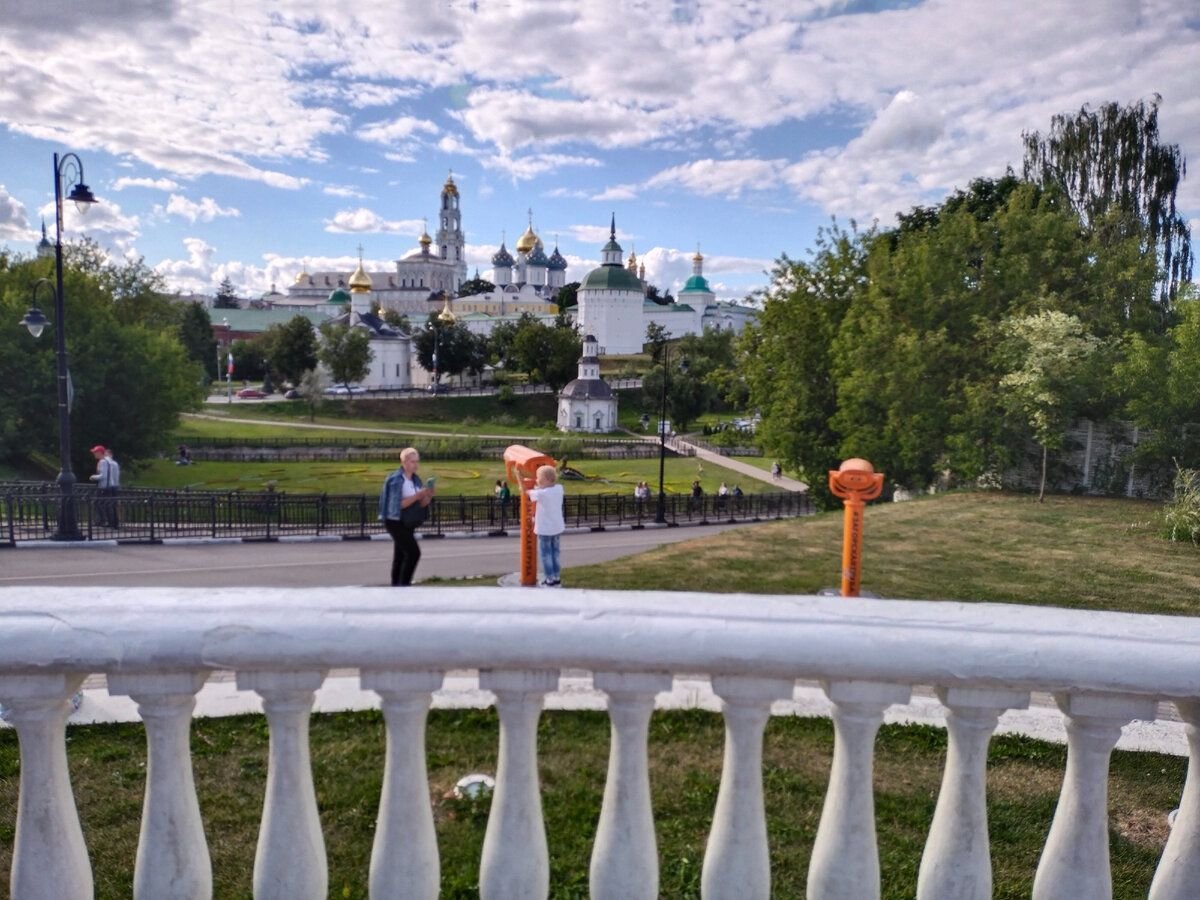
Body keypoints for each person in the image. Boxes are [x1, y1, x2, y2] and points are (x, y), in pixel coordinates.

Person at [378, 447, 435, 586]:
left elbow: (421, 504)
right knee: (413, 553)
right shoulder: (396, 479)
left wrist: (429, 494)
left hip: (408, 522)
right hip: (395, 521)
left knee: (400, 555)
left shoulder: (415, 480)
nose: (415, 465)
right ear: (404, 462)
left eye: (417, 462)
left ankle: (396, 586)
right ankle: (404, 586)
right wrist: (417, 496)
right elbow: (397, 505)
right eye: (412, 462)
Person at [523, 464, 565, 587]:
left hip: (545, 530)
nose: (536, 480)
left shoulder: (541, 494)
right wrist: (538, 487)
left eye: (538, 477)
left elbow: (527, 493)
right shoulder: (559, 489)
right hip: (556, 528)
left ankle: (549, 579)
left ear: (545, 479)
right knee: (555, 553)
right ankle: (556, 577)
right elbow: (543, 489)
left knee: (546, 554)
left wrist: (521, 482)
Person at [89, 445, 121, 527]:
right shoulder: (108, 461)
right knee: (107, 505)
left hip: (104, 487)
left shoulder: (103, 462)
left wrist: (93, 477)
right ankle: (111, 523)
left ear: (100, 453)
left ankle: (104, 521)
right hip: (110, 486)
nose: (94, 454)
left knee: (99, 503)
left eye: (95, 452)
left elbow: (103, 476)